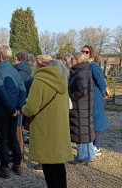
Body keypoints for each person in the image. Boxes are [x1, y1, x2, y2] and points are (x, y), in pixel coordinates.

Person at [22, 55, 73, 188]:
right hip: (59, 128)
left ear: (40, 66)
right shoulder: (62, 80)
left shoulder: (39, 80)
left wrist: (23, 109)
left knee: (48, 166)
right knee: (58, 164)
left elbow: (31, 107)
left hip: (45, 129)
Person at [0, 45, 26, 178]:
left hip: (3, 111)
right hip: (14, 110)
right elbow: (22, 90)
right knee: (12, 136)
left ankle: (4, 167)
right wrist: (19, 107)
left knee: (2, 139)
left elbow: (1, 92)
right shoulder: (15, 71)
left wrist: (12, 109)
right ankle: (17, 164)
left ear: (0, 56)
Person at [82, 45, 109, 156]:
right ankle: (92, 145)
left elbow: (101, 82)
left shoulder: (93, 66)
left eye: (86, 52)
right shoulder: (85, 66)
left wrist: (103, 94)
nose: (84, 53)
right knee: (91, 121)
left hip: (95, 96)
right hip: (88, 97)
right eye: (82, 51)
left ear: (91, 53)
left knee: (97, 121)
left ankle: (96, 147)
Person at [68, 52, 95, 164]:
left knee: (81, 131)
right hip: (82, 106)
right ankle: (89, 155)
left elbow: (82, 91)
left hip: (80, 106)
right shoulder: (81, 71)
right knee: (84, 130)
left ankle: (83, 157)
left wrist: (70, 96)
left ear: (78, 60)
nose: (71, 61)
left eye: (73, 59)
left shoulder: (81, 73)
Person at [13, 52, 33, 153]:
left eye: (15, 59)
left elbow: (20, 89)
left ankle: (18, 152)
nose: (14, 61)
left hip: (19, 103)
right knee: (18, 128)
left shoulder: (20, 72)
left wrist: (18, 106)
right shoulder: (25, 71)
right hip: (22, 101)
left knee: (17, 129)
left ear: (20, 60)